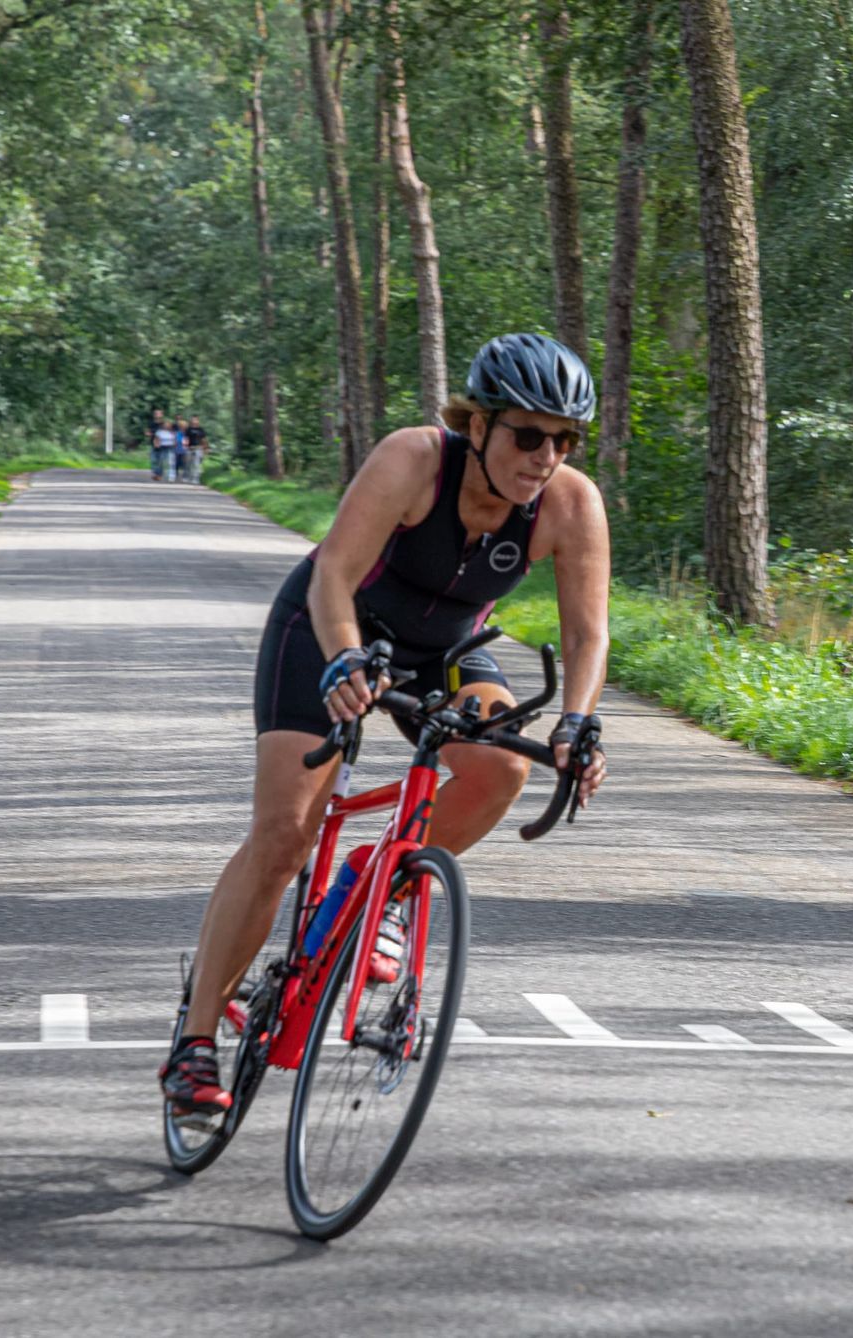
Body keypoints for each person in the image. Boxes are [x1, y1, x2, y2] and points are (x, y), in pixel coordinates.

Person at [161, 334, 613, 1113]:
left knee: (501, 766)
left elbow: (586, 636)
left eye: (564, 440)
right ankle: (195, 1043)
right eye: (528, 436)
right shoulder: (414, 460)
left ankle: (381, 884)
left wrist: (578, 723)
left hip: (445, 650)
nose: (546, 456)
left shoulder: (571, 503)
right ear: (479, 425)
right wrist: (344, 659)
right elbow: (333, 575)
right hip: (331, 629)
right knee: (284, 836)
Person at [151, 418, 179, 482]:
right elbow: (156, 439)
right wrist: (156, 444)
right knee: (160, 462)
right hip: (162, 448)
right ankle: (159, 475)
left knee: (170, 462)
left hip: (170, 447)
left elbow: (175, 440)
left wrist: (175, 444)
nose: (166, 426)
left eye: (168, 424)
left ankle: (171, 476)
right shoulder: (159, 432)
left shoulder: (172, 432)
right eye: (165, 424)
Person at [185, 416, 210, 483]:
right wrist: (186, 446)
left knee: (196, 463)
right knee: (188, 463)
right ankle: (187, 476)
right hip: (190, 448)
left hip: (198, 448)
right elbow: (186, 438)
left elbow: (204, 439)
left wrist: (206, 448)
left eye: (195, 420)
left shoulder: (201, 429)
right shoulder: (188, 429)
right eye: (193, 420)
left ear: (198, 421)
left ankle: (196, 478)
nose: (194, 421)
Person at [172, 417, 191, 484]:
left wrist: (187, 443)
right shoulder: (176, 433)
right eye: (181, 426)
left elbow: (188, 441)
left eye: (184, 426)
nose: (183, 427)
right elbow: (174, 441)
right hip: (177, 450)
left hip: (185, 450)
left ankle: (185, 477)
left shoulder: (187, 434)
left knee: (185, 464)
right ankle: (175, 475)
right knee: (176, 464)